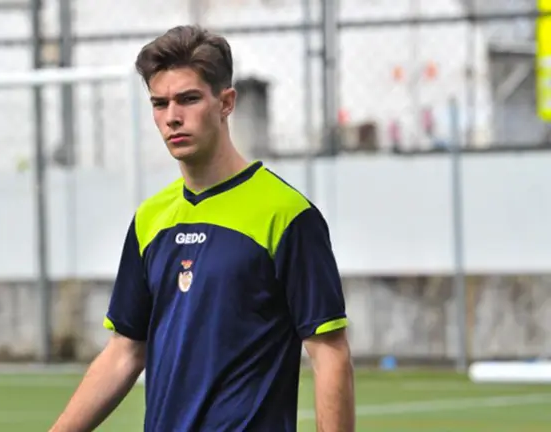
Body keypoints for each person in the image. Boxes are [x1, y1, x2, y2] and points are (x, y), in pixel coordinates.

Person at [50, 25, 355, 432]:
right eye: (160, 104)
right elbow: (125, 350)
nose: (172, 117)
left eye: (188, 99)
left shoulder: (287, 214)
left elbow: (329, 353)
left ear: (226, 102)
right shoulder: (149, 219)